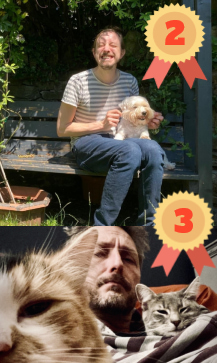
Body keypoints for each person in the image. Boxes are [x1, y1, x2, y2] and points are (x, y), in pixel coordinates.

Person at [66, 227, 217, 363]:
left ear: (138, 275)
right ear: (72, 268)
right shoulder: (60, 350)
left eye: (129, 259)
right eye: (100, 253)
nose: (117, 263)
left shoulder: (201, 321)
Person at [57, 27, 166, 226]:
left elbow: (132, 118)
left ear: (121, 53)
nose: (107, 49)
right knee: (130, 151)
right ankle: (102, 226)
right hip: (87, 144)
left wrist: (147, 121)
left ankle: (150, 225)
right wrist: (101, 124)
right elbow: (62, 129)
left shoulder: (129, 81)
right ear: (94, 52)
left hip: (122, 140)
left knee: (153, 150)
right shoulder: (78, 81)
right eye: (101, 45)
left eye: (113, 45)